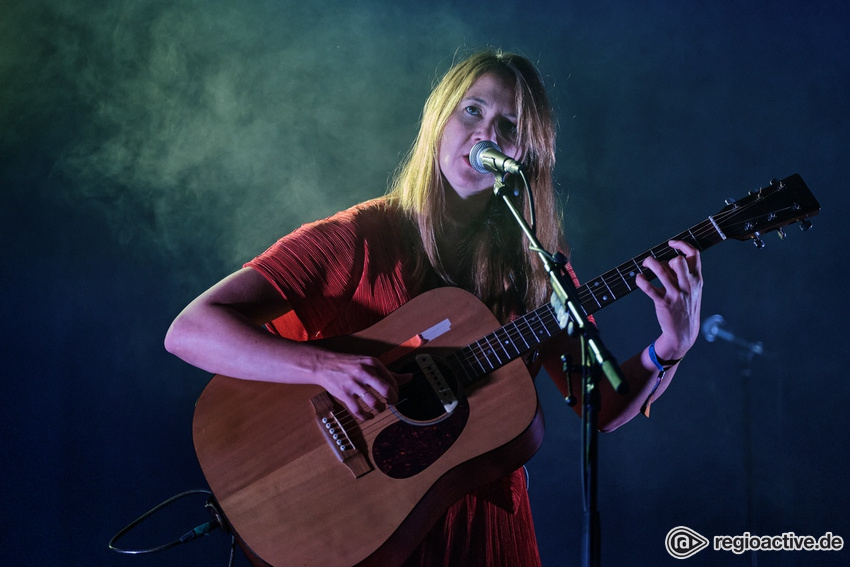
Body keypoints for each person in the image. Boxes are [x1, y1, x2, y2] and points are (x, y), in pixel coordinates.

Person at [165, 49, 702, 566]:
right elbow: (191, 331)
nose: (487, 134)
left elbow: (601, 408)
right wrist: (326, 368)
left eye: (510, 127)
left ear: (525, 155)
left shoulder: (539, 270)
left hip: (485, 537)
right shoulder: (358, 237)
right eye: (474, 111)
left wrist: (670, 347)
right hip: (363, 522)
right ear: (438, 121)